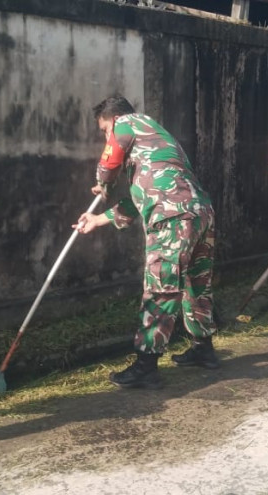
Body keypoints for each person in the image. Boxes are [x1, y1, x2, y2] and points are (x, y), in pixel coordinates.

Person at [75, 96, 219, 389]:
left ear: (113, 120)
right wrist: (97, 219)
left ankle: (146, 365)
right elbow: (145, 197)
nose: (107, 136)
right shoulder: (157, 143)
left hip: (172, 218)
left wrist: (103, 181)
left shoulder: (127, 123)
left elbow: (110, 159)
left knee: (160, 288)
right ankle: (204, 349)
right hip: (199, 212)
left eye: (104, 130)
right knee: (196, 283)